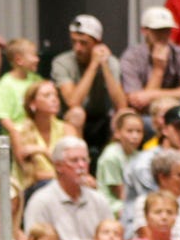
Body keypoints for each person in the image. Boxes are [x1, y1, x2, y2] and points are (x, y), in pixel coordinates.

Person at [23, 138, 112, 240]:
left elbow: (114, 239)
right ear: (58, 166)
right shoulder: (41, 201)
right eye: (74, 161)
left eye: (84, 160)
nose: (81, 165)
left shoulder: (99, 200)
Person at [51, 14, 128, 153]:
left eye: (83, 43)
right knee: (77, 113)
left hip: (102, 120)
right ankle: (80, 161)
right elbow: (73, 102)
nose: (78, 48)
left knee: (124, 115)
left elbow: (121, 104)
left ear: (97, 43)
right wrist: (93, 65)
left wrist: (104, 66)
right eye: (74, 42)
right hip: (70, 120)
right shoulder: (62, 62)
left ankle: (110, 161)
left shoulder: (111, 62)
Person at [120, 6, 180, 124]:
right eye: (158, 30)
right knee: (146, 123)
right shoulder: (131, 57)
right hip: (146, 114)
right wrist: (158, 70)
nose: (163, 35)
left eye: (167, 30)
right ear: (144, 30)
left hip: (173, 109)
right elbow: (138, 103)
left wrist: (152, 94)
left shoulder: (179, 53)